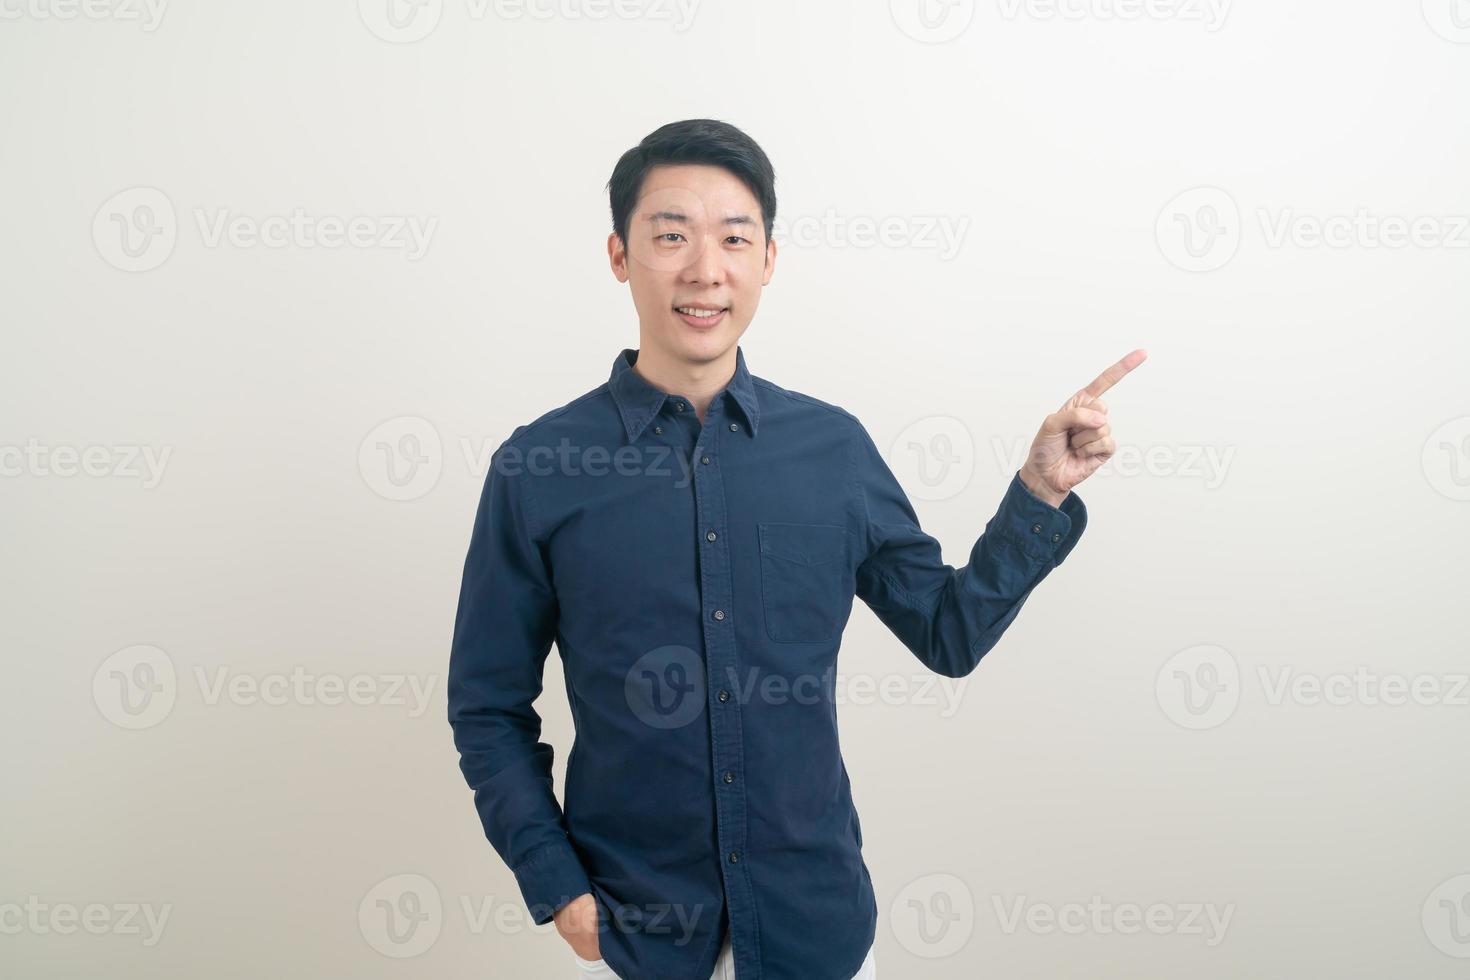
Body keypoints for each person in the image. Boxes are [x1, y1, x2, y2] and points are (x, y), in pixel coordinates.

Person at [447, 117, 1146, 980]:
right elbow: (487, 705)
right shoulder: (539, 468)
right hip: (636, 941)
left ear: (767, 261)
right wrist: (558, 889)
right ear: (620, 255)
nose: (706, 269)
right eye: (671, 235)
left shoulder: (833, 450)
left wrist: (1040, 492)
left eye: (735, 238)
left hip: (820, 931)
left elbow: (948, 633)